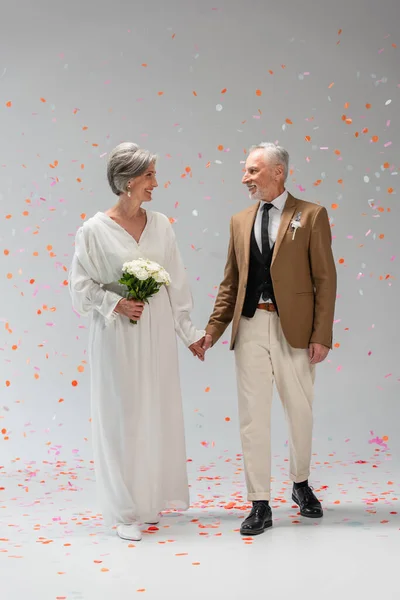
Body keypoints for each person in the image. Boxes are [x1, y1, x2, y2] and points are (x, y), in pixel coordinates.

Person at [68, 142, 205, 541]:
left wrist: (190, 335)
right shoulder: (93, 231)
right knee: (121, 416)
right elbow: (79, 289)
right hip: (117, 337)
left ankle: (148, 499)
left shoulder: (161, 224)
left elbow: (176, 283)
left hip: (157, 332)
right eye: (149, 176)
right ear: (128, 182)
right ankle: (124, 509)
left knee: (153, 410)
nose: (155, 184)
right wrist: (116, 303)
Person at [198, 142, 337, 536]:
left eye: (253, 171)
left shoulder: (311, 215)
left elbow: (325, 279)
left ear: (278, 172)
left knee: (300, 411)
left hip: (295, 330)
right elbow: (231, 282)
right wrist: (212, 331)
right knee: (252, 418)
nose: (246, 178)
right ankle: (259, 502)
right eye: (246, 171)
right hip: (250, 326)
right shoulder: (239, 221)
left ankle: (300, 483)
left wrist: (321, 334)